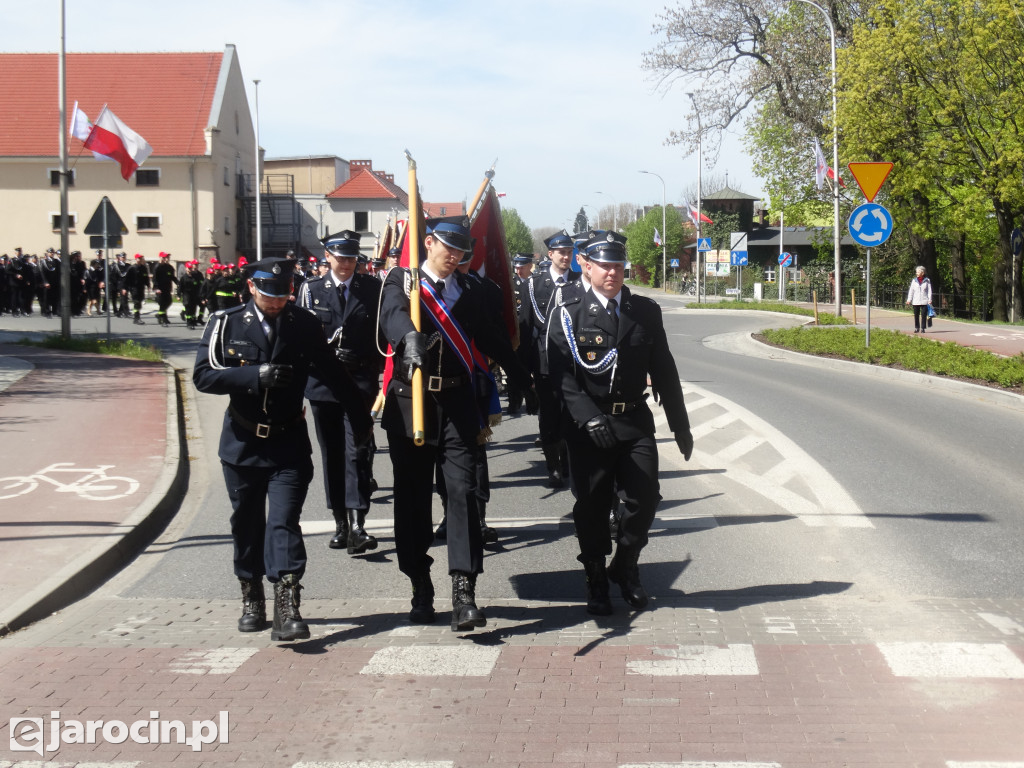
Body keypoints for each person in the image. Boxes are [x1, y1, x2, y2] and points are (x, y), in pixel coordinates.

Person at [193, 257, 372, 641]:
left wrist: (361, 422)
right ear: (252, 288)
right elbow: (203, 376)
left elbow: (334, 375)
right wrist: (253, 376)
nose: (277, 302)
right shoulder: (225, 323)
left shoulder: (303, 324)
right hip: (242, 445)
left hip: (288, 443)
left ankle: (288, 605)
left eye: (284, 294)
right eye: (270, 294)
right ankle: (251, 594)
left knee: (284, 522)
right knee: (246, 524)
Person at [379, 216, 534, 631]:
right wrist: (407, 337)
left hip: (458, 403)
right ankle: (419, 583)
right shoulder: (404, 282)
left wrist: (524, 379)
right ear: (428, 243)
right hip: (412, 403)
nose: (455, 256)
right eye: (448, 247)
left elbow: (492, 338)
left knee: (463, 494)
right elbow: (392, 315)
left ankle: (464, 589)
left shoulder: (467, 291)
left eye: (462, 250)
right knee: (412, 500)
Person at [547, 230, 694, 616]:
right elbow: (558, 373)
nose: (612, 273)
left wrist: (681, 425)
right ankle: (596, 577)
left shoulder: (644, 310)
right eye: (604, 265)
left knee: (644, 498)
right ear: (585, 264)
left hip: (633, 420)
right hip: (588, 426)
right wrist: (586, 416)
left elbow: (664, 368)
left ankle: (625, 565)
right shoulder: (568, 308)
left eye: (618, 265)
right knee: (593, 506)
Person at [297, 231, 384, 556]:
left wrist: (368, 364)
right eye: (340, 256)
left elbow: (382, 335)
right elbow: (302, 340)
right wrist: (330, 359)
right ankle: (340, 523)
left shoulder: (371, 289)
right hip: (323, 386)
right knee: (332, 455)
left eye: (351, 258)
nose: (346, 263)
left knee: (357, 453)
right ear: (328, 257)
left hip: (359, 385)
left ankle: (359, 523)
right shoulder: (311, 290)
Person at [524, 231, 581, 487]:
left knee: (571, 413)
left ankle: (569, 463)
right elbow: (525, 326)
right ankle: (553, 466)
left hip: (574, 361)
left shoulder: (580, 282)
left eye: (569, 252)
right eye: (562, 252)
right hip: (544, 360)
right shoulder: (534, 284)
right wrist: (525, 370)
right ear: (551, 254)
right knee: (549, 415)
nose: (566, 257)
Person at [153, 251, 178, 325]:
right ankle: (163, 318)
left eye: (167, 257)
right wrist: (156, 288)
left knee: (169, 302)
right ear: (160, 258)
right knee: (162, 303)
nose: (166, 259)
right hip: (160, 289)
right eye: (164, 257)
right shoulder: (157, 267)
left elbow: (172, 277)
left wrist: (178, 283)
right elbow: (154, 279)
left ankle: (160, 315)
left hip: (167, 288)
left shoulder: (169, 267)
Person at [906, 265, 933, 333]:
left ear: (922, 273)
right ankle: (916, 327)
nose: (916, 273)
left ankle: (923, 328)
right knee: (916, 315)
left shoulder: (927, 280)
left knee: (924, 315)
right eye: (916, 272)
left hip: (924, 300)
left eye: (918, 272)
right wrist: (909, 300)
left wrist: (930, 299)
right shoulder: (914, 281)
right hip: (916, 301)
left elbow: (929, 291)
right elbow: (911, 290)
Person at [125, 253, 150, 325]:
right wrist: (125, 288)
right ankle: (137, 318)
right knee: (137, 302)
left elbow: (146, 277)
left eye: (141, 258)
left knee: (139, 302)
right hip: (134, 288)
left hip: (141, 288)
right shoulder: (132, 268)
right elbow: (127, 279)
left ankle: (136, 316)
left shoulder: (143, 268)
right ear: (136, 259)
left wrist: (148, 285)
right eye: (139, 258)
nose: (140, 260)